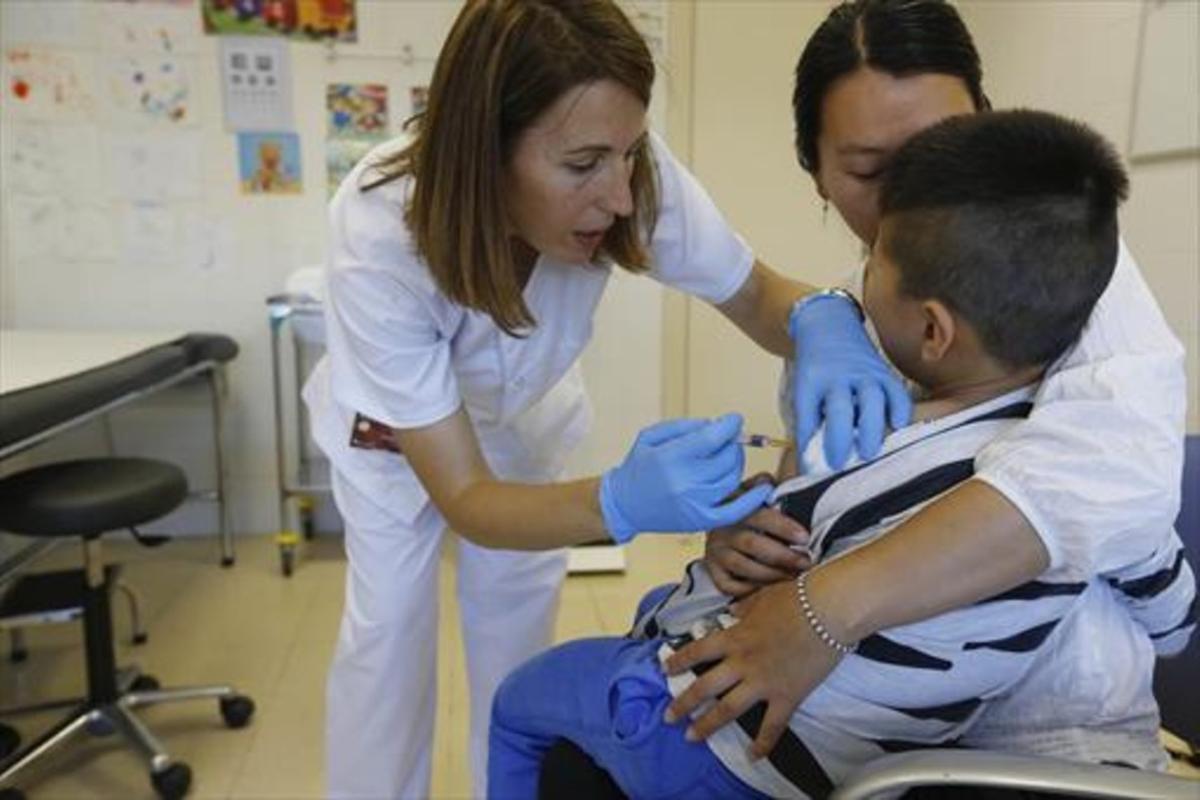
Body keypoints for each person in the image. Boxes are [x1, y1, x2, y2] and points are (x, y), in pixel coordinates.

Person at [487, 109, 1196, 798]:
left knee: (521, 704)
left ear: (932, 329)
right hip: (864, 764)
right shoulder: (1107, 499)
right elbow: (1173, 613)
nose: (851, 283)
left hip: (715, 738)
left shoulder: (870, 440)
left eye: (871, 263)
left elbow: (780, 562)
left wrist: (735, 514)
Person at [300, 1, 906, 796]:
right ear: (485, 150)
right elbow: (469, 498)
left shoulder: (628, 168)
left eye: (626, 155)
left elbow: (756, 295)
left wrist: (826, 317)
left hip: (524, 422)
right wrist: (623, 501)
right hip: (391, 443)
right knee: (388, 639)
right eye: (583, 165)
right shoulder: (383, 231)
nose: (620, 197)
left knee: (515, 634)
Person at [672, 0, 1187, 768]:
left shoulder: (1072, 281)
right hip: (855, 733)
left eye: (942, 147)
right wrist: (751, 539)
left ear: (988, 120)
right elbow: (818, 492)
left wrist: (822, 609)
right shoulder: (852, 316)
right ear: (813, 169)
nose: (918, 191)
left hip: (1048, 738)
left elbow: (1109, 476)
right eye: (873, 170)